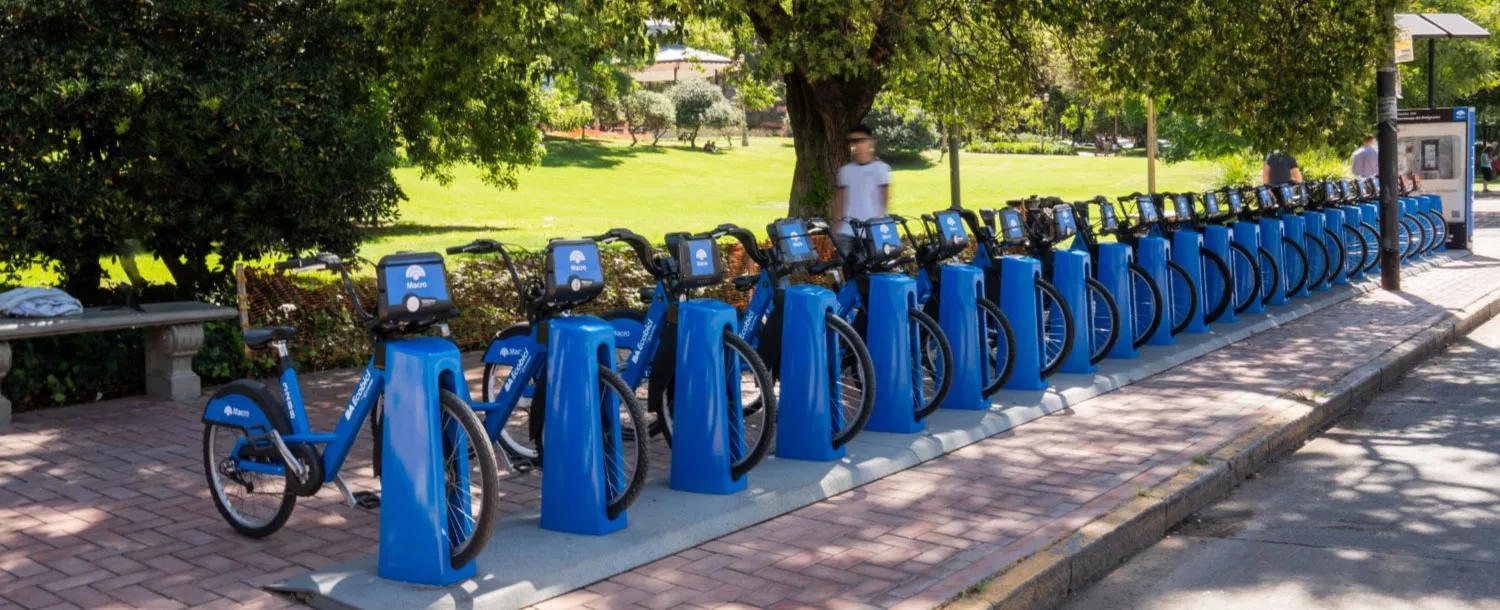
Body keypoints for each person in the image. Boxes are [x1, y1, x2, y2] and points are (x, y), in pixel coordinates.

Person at [832, 124, 891, 254]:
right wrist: (834, 229)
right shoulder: (845, 171)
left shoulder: (881, 169)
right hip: (846, 231)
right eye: (853, 141)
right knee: (843, 264)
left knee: (870, 266)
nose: (856, 145)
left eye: (861, 140)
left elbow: (884, 202)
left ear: (870, 142)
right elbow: (840, 202)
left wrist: (883, 230)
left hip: (870, 232)